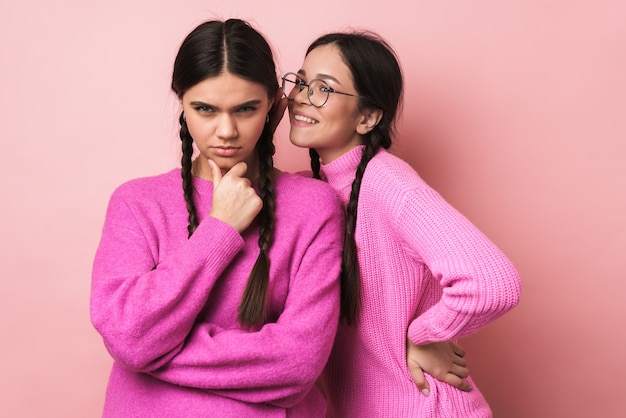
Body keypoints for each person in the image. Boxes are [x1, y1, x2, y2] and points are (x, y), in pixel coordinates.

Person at [90, 19, 346, 417]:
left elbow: (297, 363)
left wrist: (152, 353)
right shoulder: (136, 203)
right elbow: (127, 335)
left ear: (274, 106)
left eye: (246, 109)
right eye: (205, 109)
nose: (226, 131)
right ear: (182, 104)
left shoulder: (316, 207)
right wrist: (219, 230)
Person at [278, 30, 523, 417]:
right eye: (302, 82)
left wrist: (423, 336)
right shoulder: (309, 192)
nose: (301, 97)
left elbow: (494, 282)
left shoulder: (387, 181)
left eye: (324, 88)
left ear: (368, 117)